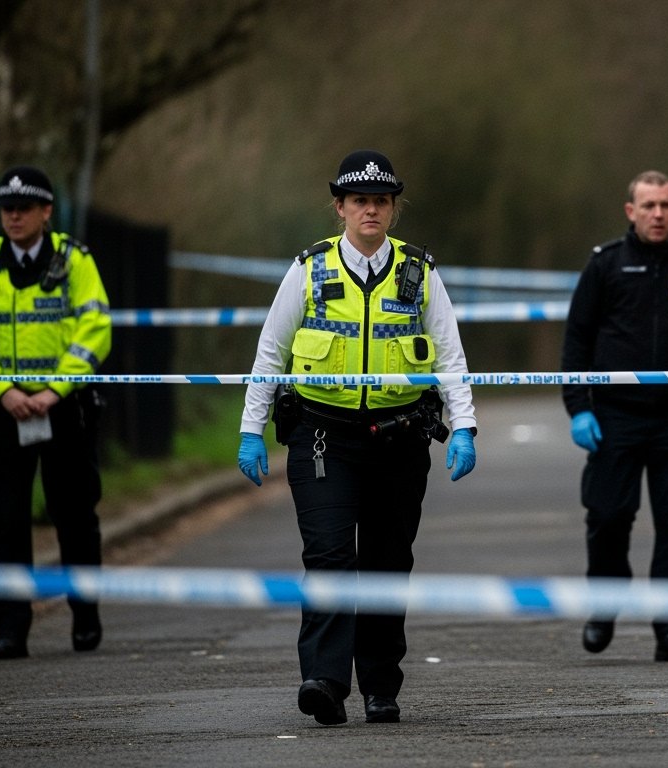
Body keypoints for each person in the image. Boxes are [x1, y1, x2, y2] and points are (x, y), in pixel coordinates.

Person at [237, 150, 478, 726]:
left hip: (398, 440)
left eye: (381, 201)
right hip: (323, 437)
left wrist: (464, 424)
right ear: (340, 207)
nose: (371, 210)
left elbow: (450, 354)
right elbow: (270, 352)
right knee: (329, 558)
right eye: (359, 201)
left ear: (393, 208)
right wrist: (251, 429)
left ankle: (379, 686)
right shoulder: (309, 268)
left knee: (388, 563)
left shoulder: (419, 270)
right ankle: (323, 678)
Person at [561, 171, 668, 662]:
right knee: (608, 518)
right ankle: (605, 604)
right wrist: (578, 408)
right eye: (648, 205)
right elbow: (576, 342)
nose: (657, 214)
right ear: (630, 211)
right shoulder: (605, 265)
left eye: (665, 205)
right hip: (614, 417)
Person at [0, 166, 112, 660]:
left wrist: (54, 390)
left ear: (46, 211)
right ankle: (10, 629)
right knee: (5, 520)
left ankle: (85, 614)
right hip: (6, 411)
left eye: (24, 208)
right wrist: (4, 391)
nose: (14, 216)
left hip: (63, 409)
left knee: (75, 515)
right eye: (7, 209)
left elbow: (95, 328)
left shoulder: (75, 260)